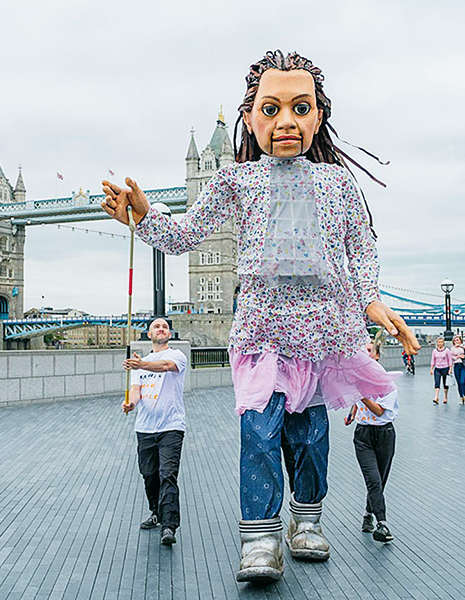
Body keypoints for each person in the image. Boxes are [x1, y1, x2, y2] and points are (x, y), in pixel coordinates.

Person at [101, 49, 418, 584]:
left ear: (319, 115)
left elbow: (360, 247)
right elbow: (184, 236)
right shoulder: (236, 181)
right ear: (250, 118)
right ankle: (261, 538)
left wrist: (371, 300)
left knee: (311, 437)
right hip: (259, 331)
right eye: (271, 110)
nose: (287, 122)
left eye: (300, 107)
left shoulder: (339, 185)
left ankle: (307, 524)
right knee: (259, 433)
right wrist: (144, 215)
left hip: (321, 335)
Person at [122, 318, 189, 545]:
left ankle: (169, 526)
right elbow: (135, 391)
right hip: (145, 428)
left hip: (171, 426)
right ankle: (157, 513)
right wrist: (131, 404)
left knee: (167, 474)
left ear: (169, 334)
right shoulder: (140, 364)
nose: (161, 329)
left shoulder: (177, 356)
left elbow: (164, 367)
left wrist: (140, 365)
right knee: (149, 474)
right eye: (156, 327)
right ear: (149, 335)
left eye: (165, 327)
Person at [345, 336, 397, 544]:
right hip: (363, 435)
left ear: (376, 355)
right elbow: (358, 401)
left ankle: (368, 514)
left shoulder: (388, 383)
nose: (363, 354)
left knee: (380, 480)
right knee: (373, 479)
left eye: (367, 350)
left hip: (384, 433)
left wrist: (361, 396)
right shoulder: (358, 378)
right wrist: (352, 411)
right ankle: (382, 524)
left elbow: (378, 411)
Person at [430, 337, 453, 404]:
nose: (440, 343)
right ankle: (436, 397)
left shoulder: (447, 350)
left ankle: (445, 397)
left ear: (443, 343)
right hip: (437, 369)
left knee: (445, 384)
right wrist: (431, 369)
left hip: (445, 368)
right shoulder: (434, 351)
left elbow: (449, 360)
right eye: (438, 342)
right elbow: (433, 360)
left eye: (441, 342)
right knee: (437, 383)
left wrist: (450, 368)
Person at [450, 335, 465, 404]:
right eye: (455, 340)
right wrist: (457, 357)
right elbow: (451, 357)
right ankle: (461, 397)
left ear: (461, 340)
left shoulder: (464, 346)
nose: (456, 342)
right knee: (458, 382)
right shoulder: (452, 348)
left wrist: (461, 347)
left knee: (462, 381)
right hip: (456, 365)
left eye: (457, 340)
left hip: (464, 365)